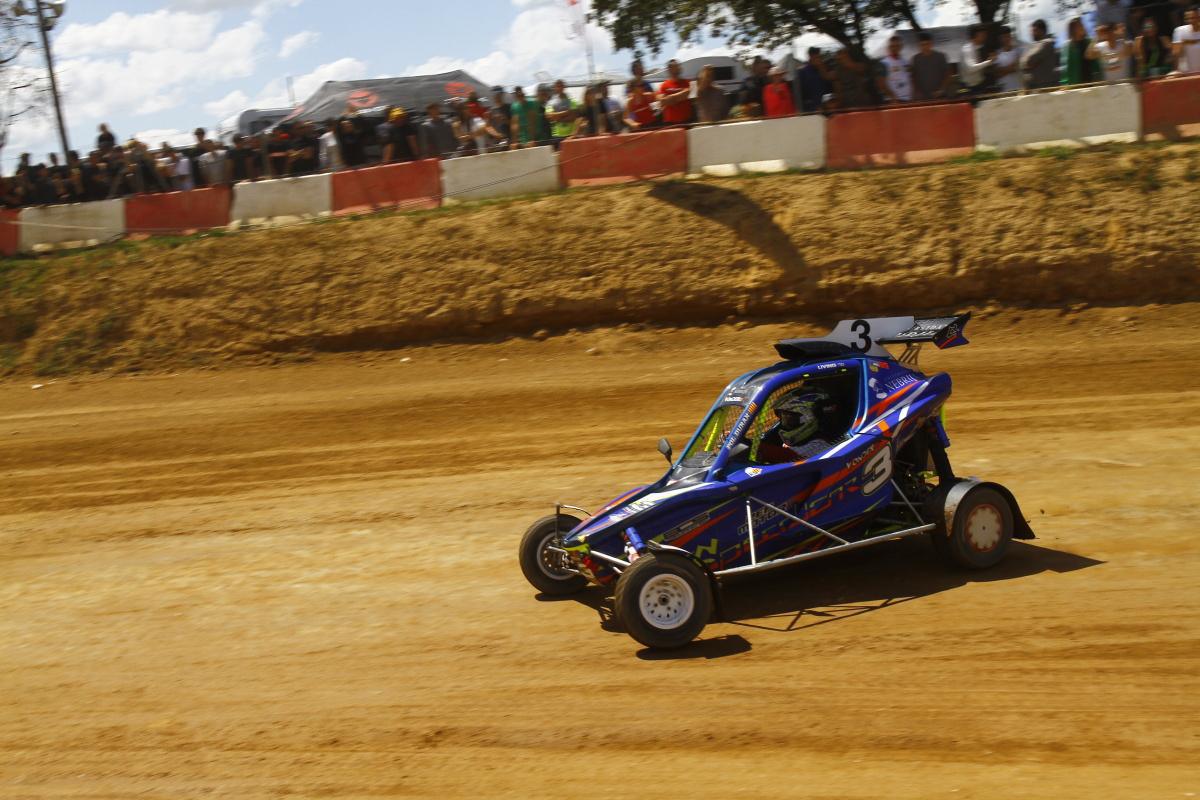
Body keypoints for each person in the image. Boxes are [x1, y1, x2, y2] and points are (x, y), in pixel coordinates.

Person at [756, 391, 839, 463]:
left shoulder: (819, 445)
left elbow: (788, 456)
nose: (786, 422)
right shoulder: (796, 438)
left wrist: (755, 449)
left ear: (809, 419)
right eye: (783, 417)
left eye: (791, 418)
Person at [911, 32, 954, 99]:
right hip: (923, 97)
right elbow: (913, 77)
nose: (925, 47)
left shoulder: (940, 57)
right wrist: (917, 91)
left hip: (940, 96)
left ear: (931, 44)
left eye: (927, 44)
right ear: (919, 45)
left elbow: (948, 74)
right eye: (922, 45)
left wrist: (941, 90)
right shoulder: (916, 59)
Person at [1021, 19, 1061, 88]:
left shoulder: (1047, 43)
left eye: (1034, 31)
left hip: (1046, 87)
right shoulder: (1034, 46)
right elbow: (1021, 63)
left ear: (1042, 31)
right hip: (1037, 87)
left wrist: (1028, 64)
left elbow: (1029, 60)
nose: (1031, 33)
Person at [1065, 17, 1103, 83]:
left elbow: (1096, 63)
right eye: (1080, 25)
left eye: (1082, 25)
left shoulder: (1089, 42)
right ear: (1073, 29)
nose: (1083, 27)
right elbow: (1067, 69)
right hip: (1076, 85)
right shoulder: (1069, 47)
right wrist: (1065, 84)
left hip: (1092, 83)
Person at [960, 23, 995, 93]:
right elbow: (971, 68)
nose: (985, 36)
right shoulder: (967, 49)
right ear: (976, 35)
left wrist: (991, 61)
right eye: (983, 34)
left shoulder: (980, 48)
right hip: (970, 89)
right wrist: (989, 62)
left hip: (980, 85)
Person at [657, 58, 693, 125]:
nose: (676, 68)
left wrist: (669, 98)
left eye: (677, 66)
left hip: (686, 121)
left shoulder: (687, 82)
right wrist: (678, 97)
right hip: (670, 123)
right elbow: (662, 102)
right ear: (669, 69)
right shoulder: (663, 85)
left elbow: (686, 94)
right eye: (673, 66)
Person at [795, 47, 833, 111]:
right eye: (815, 57)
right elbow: (799, 95)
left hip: (828, 108)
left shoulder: (825, 69)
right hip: (811, 110)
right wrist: (813, 106)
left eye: (819, 57)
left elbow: (830, 89)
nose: (818, 59)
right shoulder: (802, 72)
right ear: (810, 56)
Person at [880, 35, 914, 102]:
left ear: (901, 47)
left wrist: (913, 95)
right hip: (893, 101)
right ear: (889, 47)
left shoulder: (906, 62)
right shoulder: (883, 63)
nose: (895, 48)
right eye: (892, 46)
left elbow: (911, 78)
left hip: (908, 100)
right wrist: (892, 97)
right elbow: (881, 84)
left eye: (897, 46)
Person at [546, 79, 578, 145]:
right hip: (557, 135)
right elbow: (549, 116)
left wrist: (557, 118)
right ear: (555, 88)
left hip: (570, 135)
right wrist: (566, 112)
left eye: (561, 86)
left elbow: (573, 117)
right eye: (557, 86)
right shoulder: (550, 102)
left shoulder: (572, 101)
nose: (559, 88)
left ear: (564, 87)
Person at [995, 25, 1025, 91]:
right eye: (1003, 37)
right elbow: (996, 73)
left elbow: (1017, 67)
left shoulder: (1019, 50)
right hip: (1003, 89)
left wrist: (1001, 70)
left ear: (1010, 36)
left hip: (1018, 88)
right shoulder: (997, 53)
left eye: (1007, 36)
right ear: (1000, 38)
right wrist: (1011, 68)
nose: (1006, 39)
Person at [1174, 6, 1200, 72]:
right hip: (1185, 73)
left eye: (1194, 18)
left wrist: (1187, 42)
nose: (1191, 21)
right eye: (1188, 18)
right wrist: (1176, 70)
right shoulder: (1179, 31)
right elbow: (1176, 53)